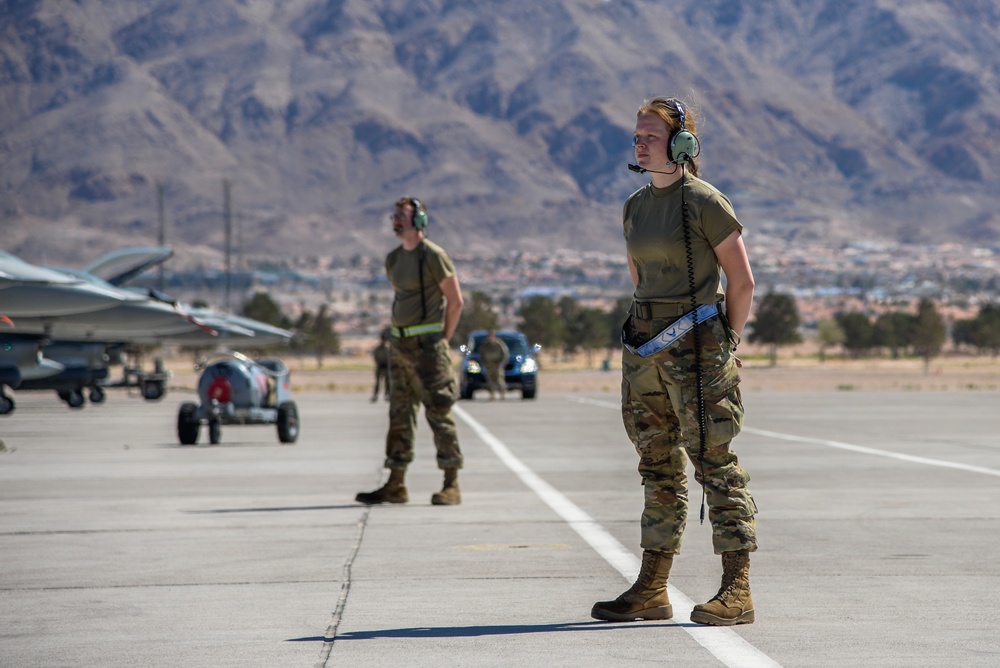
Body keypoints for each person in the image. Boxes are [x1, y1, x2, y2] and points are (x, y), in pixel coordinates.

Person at [591, 97, 758, 627]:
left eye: (650, 136)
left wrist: (725, 343)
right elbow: (639, 279)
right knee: (657, 464)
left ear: (681, 145)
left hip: (697, 349)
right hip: (644, 350)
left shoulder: (706, 202)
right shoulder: (635, 206)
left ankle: (737, 589)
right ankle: (652, 588)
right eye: (636, 136)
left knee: (714, 463)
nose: (639, 144)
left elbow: (742, 281)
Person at [356, 197, 465, 506]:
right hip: (400, 346)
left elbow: (455, 301)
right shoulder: (393, 260)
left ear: (418, 221)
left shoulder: (433, 256)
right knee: (400, 414)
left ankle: (451, 483)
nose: (396, 220)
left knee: (438, 412)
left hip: (428, 347)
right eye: (394, 215)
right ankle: (396, 483)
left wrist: (442, 338)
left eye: (402, 215)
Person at [478, 330, 509, 400]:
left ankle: (502, 394)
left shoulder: (499, 344)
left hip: (497, 365)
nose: (491, 337)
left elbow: (505, 354)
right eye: (490, 335)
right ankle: (492, 395)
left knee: (499, 380)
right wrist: (484, 363)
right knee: (490, 381)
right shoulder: (485, 345)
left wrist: (501, 363)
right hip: (489, 365)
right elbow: (482, 354)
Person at [370, 328, 390, 402]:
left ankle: (387, 395)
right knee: (378, 383)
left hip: (386, 367)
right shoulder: (378, 349)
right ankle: (375, 395)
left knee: (387, 383)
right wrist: (379, 363)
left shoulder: (388, 348)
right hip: (380, 367)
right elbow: (375, 357)